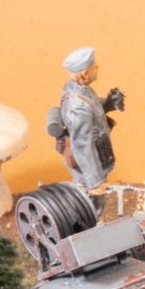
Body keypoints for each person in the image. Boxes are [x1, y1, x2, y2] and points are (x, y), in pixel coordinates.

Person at [51, 47, 123, 195]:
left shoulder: (80, 90)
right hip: (88, 164)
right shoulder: (79, 107)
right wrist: (94, 182)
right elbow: (82, 146)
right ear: (85, 74)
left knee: (95, 194)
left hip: (97, 155)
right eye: (94, 67)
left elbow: (93, 108)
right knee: (90, 197)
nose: (98, 68)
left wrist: (109, 103)